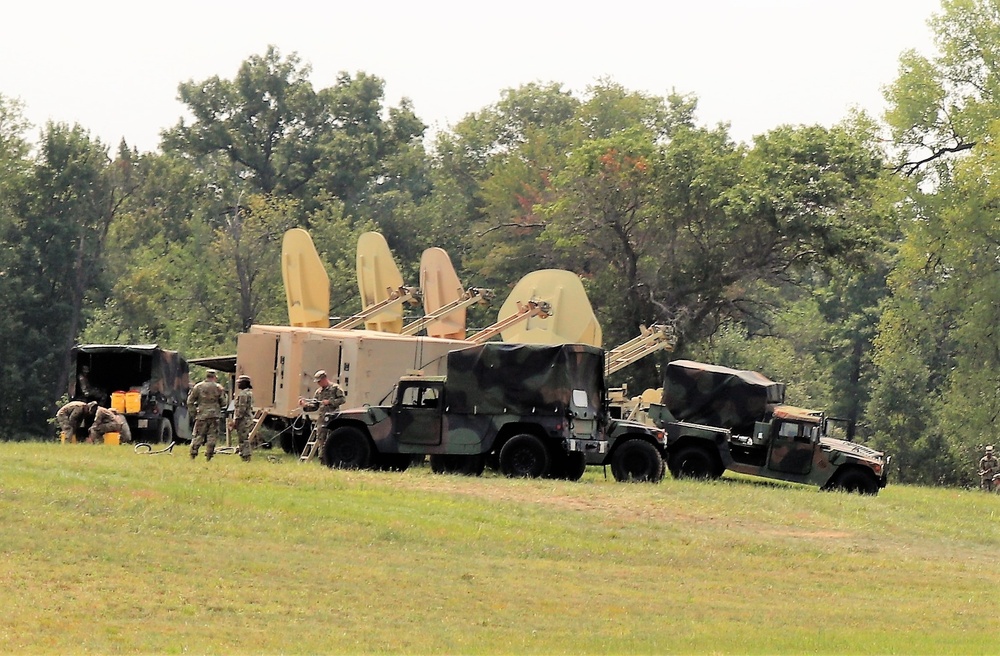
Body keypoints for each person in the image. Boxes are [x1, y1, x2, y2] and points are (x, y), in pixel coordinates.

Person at [299, 370, 346, 462]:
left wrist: (330, 402)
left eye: (319, 381)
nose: (318, 384)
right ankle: (323, 460)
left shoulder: (335, 388)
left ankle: (333, 459)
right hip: (322, 420)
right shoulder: (319, 392)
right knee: (321, 439)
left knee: (332, 439)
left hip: (333, 418)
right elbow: (314, 406)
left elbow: (342, 399)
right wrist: (305, 406)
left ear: (324, 379)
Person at [188, 369, 227, 461]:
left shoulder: (198, 386)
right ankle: (209, 456)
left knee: (198, 435)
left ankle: (193, 454)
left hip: (201, 415)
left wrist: (194, 413)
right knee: (212, 436)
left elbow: (190, 401)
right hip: (214, 415)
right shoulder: (218, 388)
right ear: (215, 377)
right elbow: (224, 403)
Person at [228, 374, 254, 462]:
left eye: (239, 383)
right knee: (243, 438)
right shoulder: (249, 393)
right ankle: (244, 456)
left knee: (243, 439)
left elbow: (241, 409)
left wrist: (236, 421)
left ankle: (246, 457)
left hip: (243, 420)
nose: (238, 384)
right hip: (247, 419)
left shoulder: (243, 394)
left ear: (244, 383)